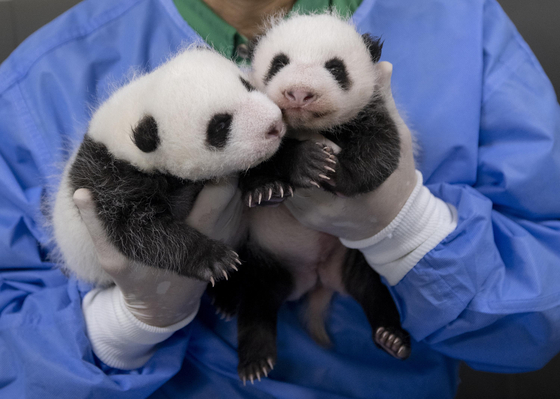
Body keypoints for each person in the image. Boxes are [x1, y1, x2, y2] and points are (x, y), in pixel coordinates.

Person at [0, 0, 559, 398]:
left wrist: (408, 227)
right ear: (253, 63)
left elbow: (543, 310)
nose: (288, 100)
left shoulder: (462, 23)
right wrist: (127, 324)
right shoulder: (43, 78)